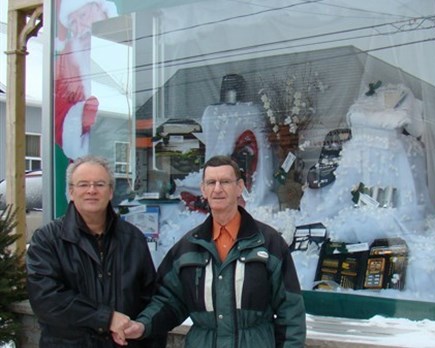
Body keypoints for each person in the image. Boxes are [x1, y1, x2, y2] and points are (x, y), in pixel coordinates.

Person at [118, 155, 306, 347]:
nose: (217, 189)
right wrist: (143, 325)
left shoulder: (268, 243)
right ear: (203, 190)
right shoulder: (188, 248)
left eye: (225, 182)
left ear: (239, 187)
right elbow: (168, 301)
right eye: (211, 182)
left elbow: (290, 311)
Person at [26, 155, 166, 347]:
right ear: (71, 192)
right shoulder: (47, 240)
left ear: (110, 192)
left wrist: (141, 327)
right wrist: (106, 318)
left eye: (99, 184)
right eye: (83, 184)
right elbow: (46, 300)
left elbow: (150, 298)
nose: (91, 191)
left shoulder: (133, 239)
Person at [54, 0, 117, 159]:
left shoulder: (131, 38)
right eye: (73, 23)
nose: (80, 28)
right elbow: (57, 117)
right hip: (87, 163)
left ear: (101, 9)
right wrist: (81, 118)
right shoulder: (67, 58)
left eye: (82, 15)